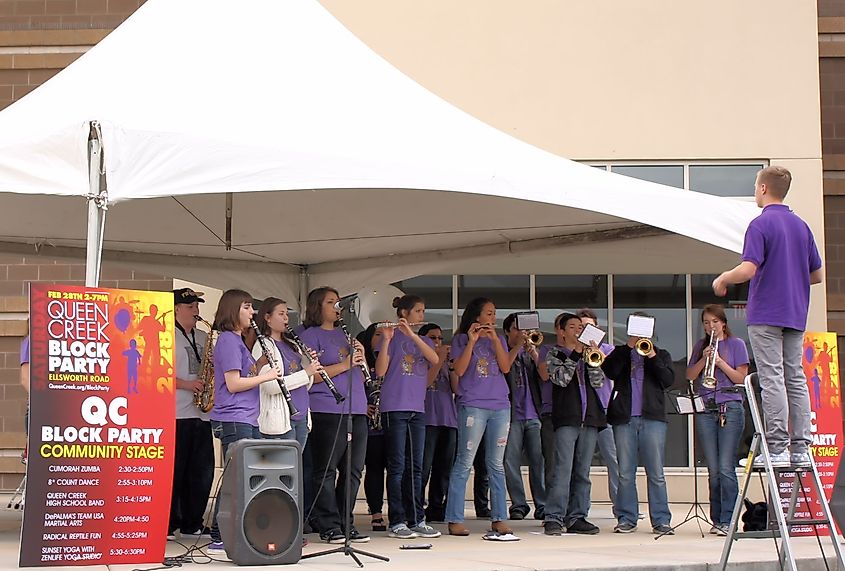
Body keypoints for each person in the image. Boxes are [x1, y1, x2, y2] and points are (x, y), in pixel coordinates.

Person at [713, 166, 823, 468]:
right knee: (795, 378)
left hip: (766, 313)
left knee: (772, 377)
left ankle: (776, 447)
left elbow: (748, 268)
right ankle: (801, 446)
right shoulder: (801, 226)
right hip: (795, 312)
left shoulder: (760, 225)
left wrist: (723, 278)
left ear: (763, 189)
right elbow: (817, 274)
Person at [207, 289, 282, 555]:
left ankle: (232, 531)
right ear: (233, 310)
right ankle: (218, 534)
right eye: (247, 307)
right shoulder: (228, 340)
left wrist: (260, 362)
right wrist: (267, 375)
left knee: (242, 478)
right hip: (234, 417)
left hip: (246, 417)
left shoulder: (239, 341)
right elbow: (234, 383)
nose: (252, 313)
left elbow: (243, 373)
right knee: (234, 480)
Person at [299, 287, 370, 544]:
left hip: (357, 407)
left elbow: (360, 371)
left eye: (338, 302)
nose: (336, 306)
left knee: (353, 470)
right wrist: (346, 364)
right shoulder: (310, 336)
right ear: (318, 306)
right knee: (326, 470)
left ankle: (345, 522)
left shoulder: (346, 335)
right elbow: (312, 375)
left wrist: (362, 359)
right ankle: (328, 524)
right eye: (331, 302)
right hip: (327, 408)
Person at [445, 297, 520, 537]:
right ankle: (455, 518)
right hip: (473, 405)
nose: (493, 318)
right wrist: (472, 341)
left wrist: (496, 341)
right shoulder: (460, 339)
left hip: (500, 405)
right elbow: (459, 369)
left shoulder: (497, 338)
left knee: (496, 464)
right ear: (476, 316)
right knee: (465, 461)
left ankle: (499, 518)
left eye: (494, 313)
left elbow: (506, 366)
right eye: (489, 313)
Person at [601, 312, 675, 535]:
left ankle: (661, 520)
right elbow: (609, 371)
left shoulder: (661, 354)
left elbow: (668, 381)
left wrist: (651, 355)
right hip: (625, 418)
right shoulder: (620, 353)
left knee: (656, 472)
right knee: (625, 471)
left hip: (652, 419)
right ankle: (626, 517)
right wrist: (627, 348)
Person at [374, 294, 440, 539]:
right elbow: (380, 371)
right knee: (397, 466)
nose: (422, 315)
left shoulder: (422, 340)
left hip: (417, 408)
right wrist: (388, 339)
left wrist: (412, 335)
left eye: (423, 311)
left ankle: (417, 519)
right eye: (418, 311)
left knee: (416, 466)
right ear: (404, 314)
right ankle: (397, 521)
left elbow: (434, 360)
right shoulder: (388, 338)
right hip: (395, 407)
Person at [686, 304, 749, 536]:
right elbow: (690, 376)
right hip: (706, 408)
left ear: (723, 323)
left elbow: (740, 378)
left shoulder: (737, 344)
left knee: (725, 467)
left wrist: (720, 362)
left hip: (730, 407)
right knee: (713, 469)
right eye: (705, 322)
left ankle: (728, 520)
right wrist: (703, 360)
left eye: (714, 321)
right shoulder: (700, 346)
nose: (710, 326)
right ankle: (717, 519)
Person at [542, 313, 604, 535]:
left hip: (589, 418)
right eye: (572, 326)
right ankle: (554, 517)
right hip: (567, 418)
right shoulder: (554, 353)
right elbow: (561, 379)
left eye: (580, 327)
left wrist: (591, 359)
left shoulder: (589, 354)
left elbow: (599, 382)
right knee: (562, 469)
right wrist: (576, 354)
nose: (578, 330)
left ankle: (577, 516)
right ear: (561, 330)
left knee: (583, 472)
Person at [169, 288, 214, 540]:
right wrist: (186, 384)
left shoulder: (204, 336)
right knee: (176, 471)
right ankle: (169, 522)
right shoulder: (165, 336)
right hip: (176, 413)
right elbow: (153, 372)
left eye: (196, 305)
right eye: (189, 306)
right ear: (175, 309)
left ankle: (193, 521)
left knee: (201, 471)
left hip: (201, 413)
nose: (196, 310)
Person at [251, 297, 322, 447]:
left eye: (287, 314)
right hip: (281, 419)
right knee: (283, 467)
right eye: (281, 314)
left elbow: (305, 383)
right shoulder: (263, 345)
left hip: (301, 415)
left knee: (295, 467)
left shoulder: (293, 345)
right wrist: (306, 372)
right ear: (267, 318)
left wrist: (309, 362)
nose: (286, 318)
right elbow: (270, 386)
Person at [576, 308, 621, 519]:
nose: (586, 329)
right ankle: (580, 510)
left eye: (590, 326)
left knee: (614, 461)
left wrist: (597, 354)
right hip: (584, 414)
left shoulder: (609, 349)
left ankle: (621, 509)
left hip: (606, 411)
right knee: (582, 464)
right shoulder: (574, 350)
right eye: (582, 326)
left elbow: (612, 373)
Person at [502, 313, 546, 521]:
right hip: (511, 415)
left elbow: (545, 375)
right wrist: (517, 347)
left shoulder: (532, 352)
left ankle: (543, 504)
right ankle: (518, 504)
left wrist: (534, 352)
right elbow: (505, 368)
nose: (522, 334)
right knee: (510, 462)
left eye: (525, 330)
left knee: (539, 461)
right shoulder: (503, 351)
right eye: (517, 329)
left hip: (534, 414)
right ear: (508, 332)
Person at [419, 324, 457, 524]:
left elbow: (457, 388)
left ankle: (436, 507)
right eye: (433, 338)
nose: (438, 342)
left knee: (443, 469)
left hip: (448, 418)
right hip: (427, 418)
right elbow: (426, 381)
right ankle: (417, 507)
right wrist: (440, 357)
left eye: (440, 338)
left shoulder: (445, 360)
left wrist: (453, 366)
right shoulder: (422, 358)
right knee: (424, 467)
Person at [358, 324, 388, 532]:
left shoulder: (390, 356)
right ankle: (376, 511)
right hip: (369, 422)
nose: (381, 337)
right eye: (377, 334)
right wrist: (362, 405)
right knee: (374, 468)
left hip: (390, 417)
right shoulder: (361, 360)